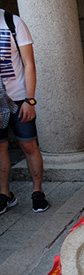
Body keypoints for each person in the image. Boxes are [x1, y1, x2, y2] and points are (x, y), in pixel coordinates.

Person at [0, 8, 48, 214]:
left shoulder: (12, 22)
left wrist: (30, 99)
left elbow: (29, 64)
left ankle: (37, 191)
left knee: (29, 146)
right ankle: (5, 194)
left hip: (19, 98)